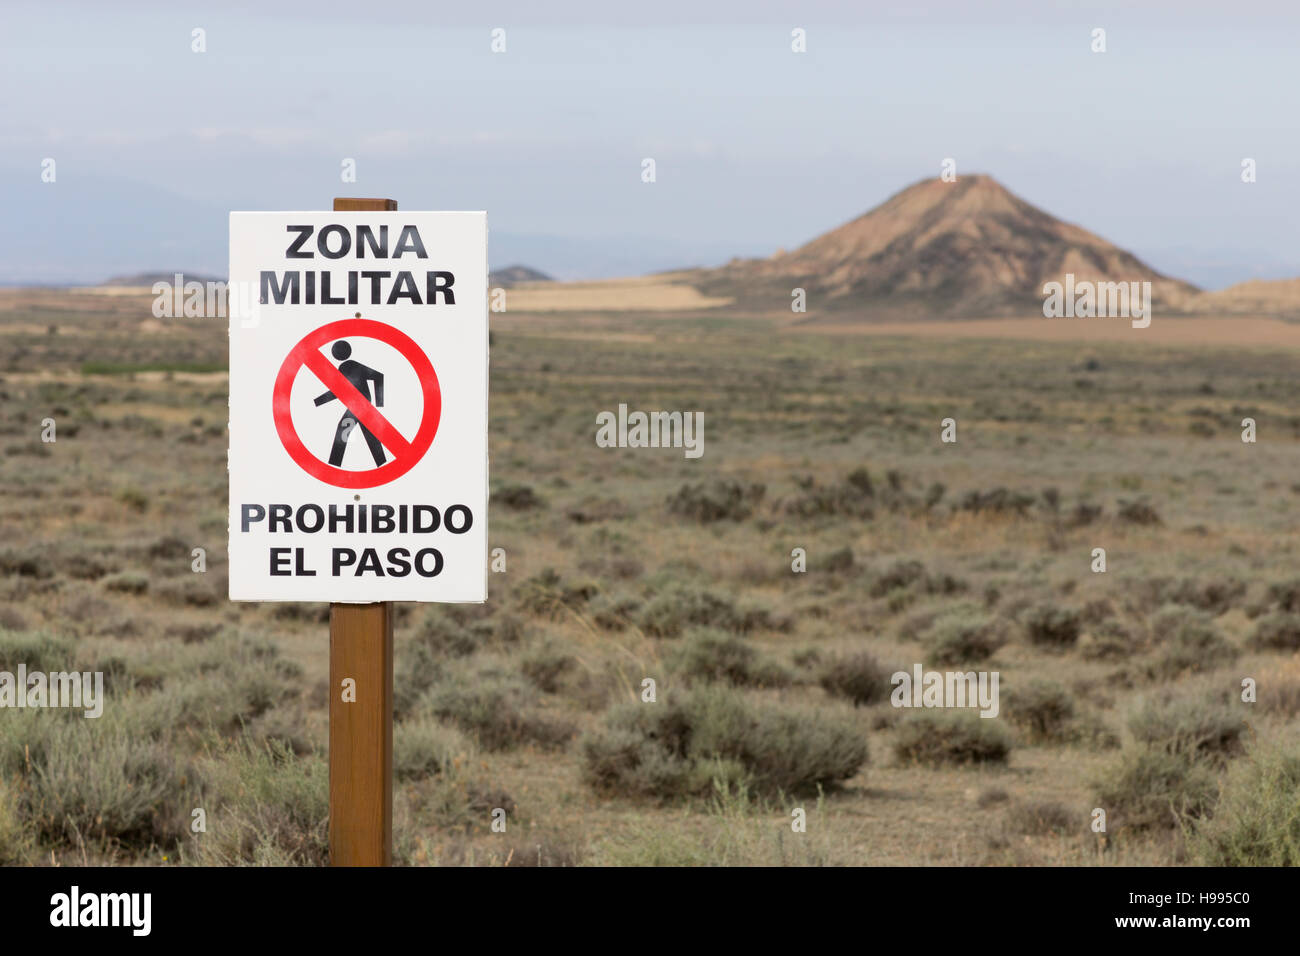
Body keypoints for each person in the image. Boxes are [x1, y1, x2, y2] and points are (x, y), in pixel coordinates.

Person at [313, 340, 386, 466]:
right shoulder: (345, 367)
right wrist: (318, 401)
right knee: (368, 432)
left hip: (360, 405)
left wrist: (379, 402)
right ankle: (382, 462)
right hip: (360, 405)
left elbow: (379, 376)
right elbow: (339, 391)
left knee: (343, 429)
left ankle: (335, 464)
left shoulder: (349, 366)